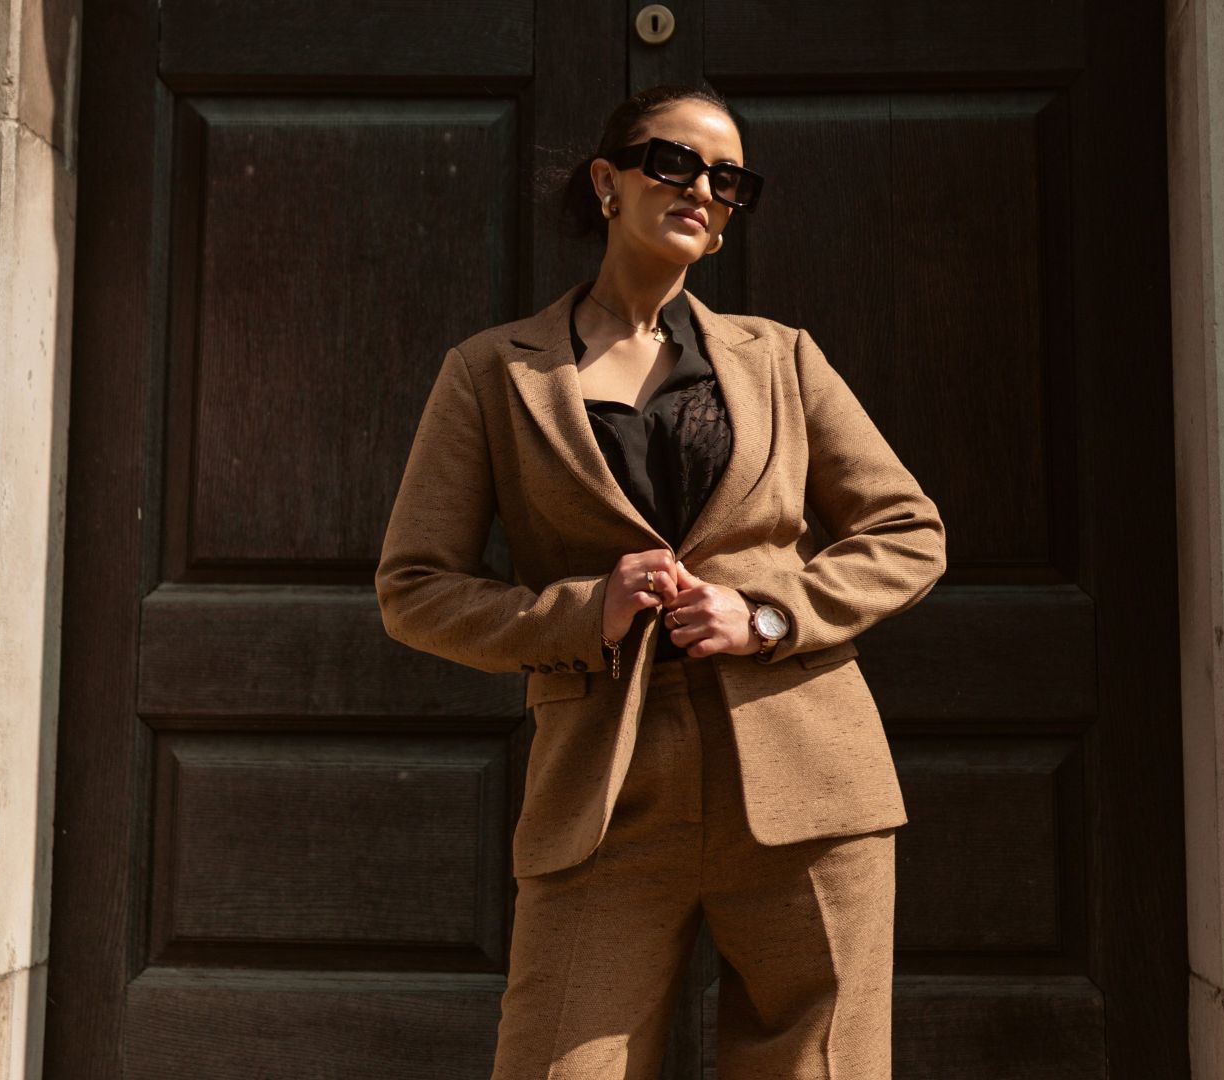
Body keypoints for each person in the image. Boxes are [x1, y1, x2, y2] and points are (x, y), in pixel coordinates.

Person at [374, 83, 946, 1080]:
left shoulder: (782, 360)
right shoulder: (493, 374)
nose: (702, 191)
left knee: (819, 1068)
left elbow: (908, 531)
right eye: (673, 162)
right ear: (608, 180)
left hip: (806, 779)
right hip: (605, 788)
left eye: (729, 180)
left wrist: (769, 613)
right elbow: (416, 587)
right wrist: (582, 609)